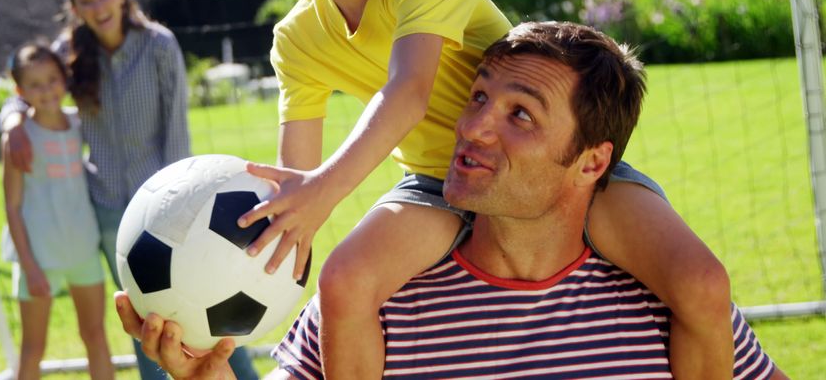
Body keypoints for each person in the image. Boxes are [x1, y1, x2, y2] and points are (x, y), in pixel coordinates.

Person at [231, 0, 732, 378]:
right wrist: (258, 256)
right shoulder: (295, 40)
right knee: (345, 281)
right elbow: (294, 184)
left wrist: (323, 190)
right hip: (438, 185)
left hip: (543, 167)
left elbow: (409, 91)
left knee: (702, 283)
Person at [115, 21, 787, 380]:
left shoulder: (669, 305)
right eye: (479, 97)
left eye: (520, 115)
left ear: (592, 162)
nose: (473, 127)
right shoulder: (376, 304)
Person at [0, 0, 259, 380]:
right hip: (105, 211)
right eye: (86, 1)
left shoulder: (158, 45)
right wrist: (11, 121)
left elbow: (176, 129)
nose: (98, 6)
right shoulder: (70, 54)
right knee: (142, 319)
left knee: (202, 315)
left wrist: (184, 205)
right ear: (75, 9)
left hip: (164, 209)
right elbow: (26, 82)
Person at [0, 42, 114, 380]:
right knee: (33, 347)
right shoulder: (18, 138)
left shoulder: (79, 124)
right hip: (38, 256)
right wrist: (30, 267)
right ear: (20, 91)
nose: (46, 89)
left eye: (52, 79)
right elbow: (12, 206)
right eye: (35, 84)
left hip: (82, 248)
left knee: (95, 335)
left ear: (64, 79)